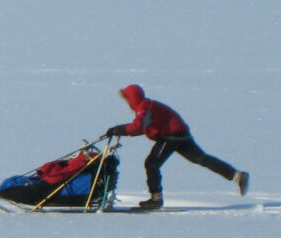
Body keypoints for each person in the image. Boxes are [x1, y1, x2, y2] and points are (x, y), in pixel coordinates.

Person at [105, 84, 248, 209]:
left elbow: (139, 127)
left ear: (131, 98)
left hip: (170, 137)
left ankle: (156, 199)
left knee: (151, 164)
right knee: (200, 158)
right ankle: (236, 175)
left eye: (126, 98)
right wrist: (120, 129)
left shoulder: (143, 107)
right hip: (182, 134)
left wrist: (120, 130)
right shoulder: (148, 105)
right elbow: (142, 126)